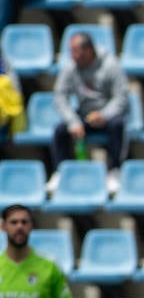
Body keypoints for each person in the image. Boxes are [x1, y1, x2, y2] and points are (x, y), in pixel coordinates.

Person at [50, 32, 130, 196]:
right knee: (60, 130)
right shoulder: (71, 67)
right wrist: (73, 121)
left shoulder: (111, 65)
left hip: (108, 115)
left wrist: (104, 115)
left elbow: (121, 98)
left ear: (88, 50)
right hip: (84, 116)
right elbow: (60, 96)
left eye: (75, 51)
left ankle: (114, 171)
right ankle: (61, 171)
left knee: (118, 125)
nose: (72, 55)